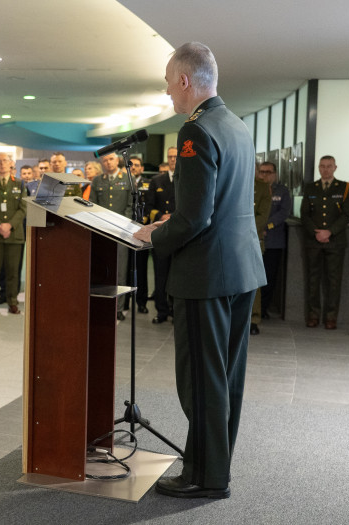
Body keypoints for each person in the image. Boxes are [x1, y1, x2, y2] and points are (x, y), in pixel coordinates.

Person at [134, 42, 265, 499]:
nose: (169, 92)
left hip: (206, 273)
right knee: (226, 377)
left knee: (201, 380)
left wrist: (155, 236)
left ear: (186, 81)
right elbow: (221, 204)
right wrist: (177, 221)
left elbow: (194, 219)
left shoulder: (194, 133)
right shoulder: (235, 125)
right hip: (241, 268)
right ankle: (213, 466)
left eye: (170, 83)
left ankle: (205, 477)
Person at [300, 155, 349, 329]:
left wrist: (329, 231)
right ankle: (313, 315)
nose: (325, 169)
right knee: (313, 280)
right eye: (322, 166)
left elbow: (346, 215)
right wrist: (316, 232)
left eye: (329, 166)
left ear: (335, 168)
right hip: (314, 240)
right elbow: (305, 214)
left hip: (335, 241)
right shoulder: (310, 188)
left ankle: (331, 317)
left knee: (334, 281)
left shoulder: (344, 188)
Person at [90, 152, 133, 320]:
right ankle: (103, 304)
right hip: (102, 231)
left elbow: (130, 205)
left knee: (120, 271)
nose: (108, 163)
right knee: (103, 270)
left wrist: (121, 224)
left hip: (121, 231)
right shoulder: (97, 181)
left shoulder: (127, 179)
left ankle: (118, 308)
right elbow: (93, 205)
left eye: (111, 159)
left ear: (117, 160)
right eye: (105, 160)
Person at [0, 153, 26, 314]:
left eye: (5, 161)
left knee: (13, 272)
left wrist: (9, 226)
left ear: (11, 164)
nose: (1, 164)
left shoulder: (20, 184)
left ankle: (12, 301)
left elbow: (23, 208)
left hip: (14, 235)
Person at [258, 162, 292, 320]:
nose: (265, 175)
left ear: (275, 174)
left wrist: (267, 225)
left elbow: (284, 212)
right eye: (262, 171)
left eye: (268, 172)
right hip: (257, 238)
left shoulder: (282, 191)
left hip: (273, 241)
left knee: (269, 277)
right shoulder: (255, 189)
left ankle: (264, 308)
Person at [146, 148, 176, 324]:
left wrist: (174, 215)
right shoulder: (156, 180)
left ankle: (175, 309)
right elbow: (149, 206)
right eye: (170, 157)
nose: (172, 160)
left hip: (178, 233)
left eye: (175, 157)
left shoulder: (186, 179)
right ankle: (161, 310)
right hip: (161, 233)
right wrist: (160, 216)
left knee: (176, 275)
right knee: (160, 274)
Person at [250, 172, 272, 335]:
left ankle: (253, 319)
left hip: (252, 239)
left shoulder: (263, 188)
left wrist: (243, 229)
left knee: (253, 284)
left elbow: (263, 216)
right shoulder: (232, 180)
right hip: (229, 239)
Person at [129, 155, 150, 314]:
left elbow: (151, 203)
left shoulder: (148, 183)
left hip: (142, 230)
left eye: (137, 165)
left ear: (142, 168)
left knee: (142, 267)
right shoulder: (125, 183)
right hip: (126, 229)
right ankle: (126, 300)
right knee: (127, 267)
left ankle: (141, 301)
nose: (134, 167)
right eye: (131, 165)